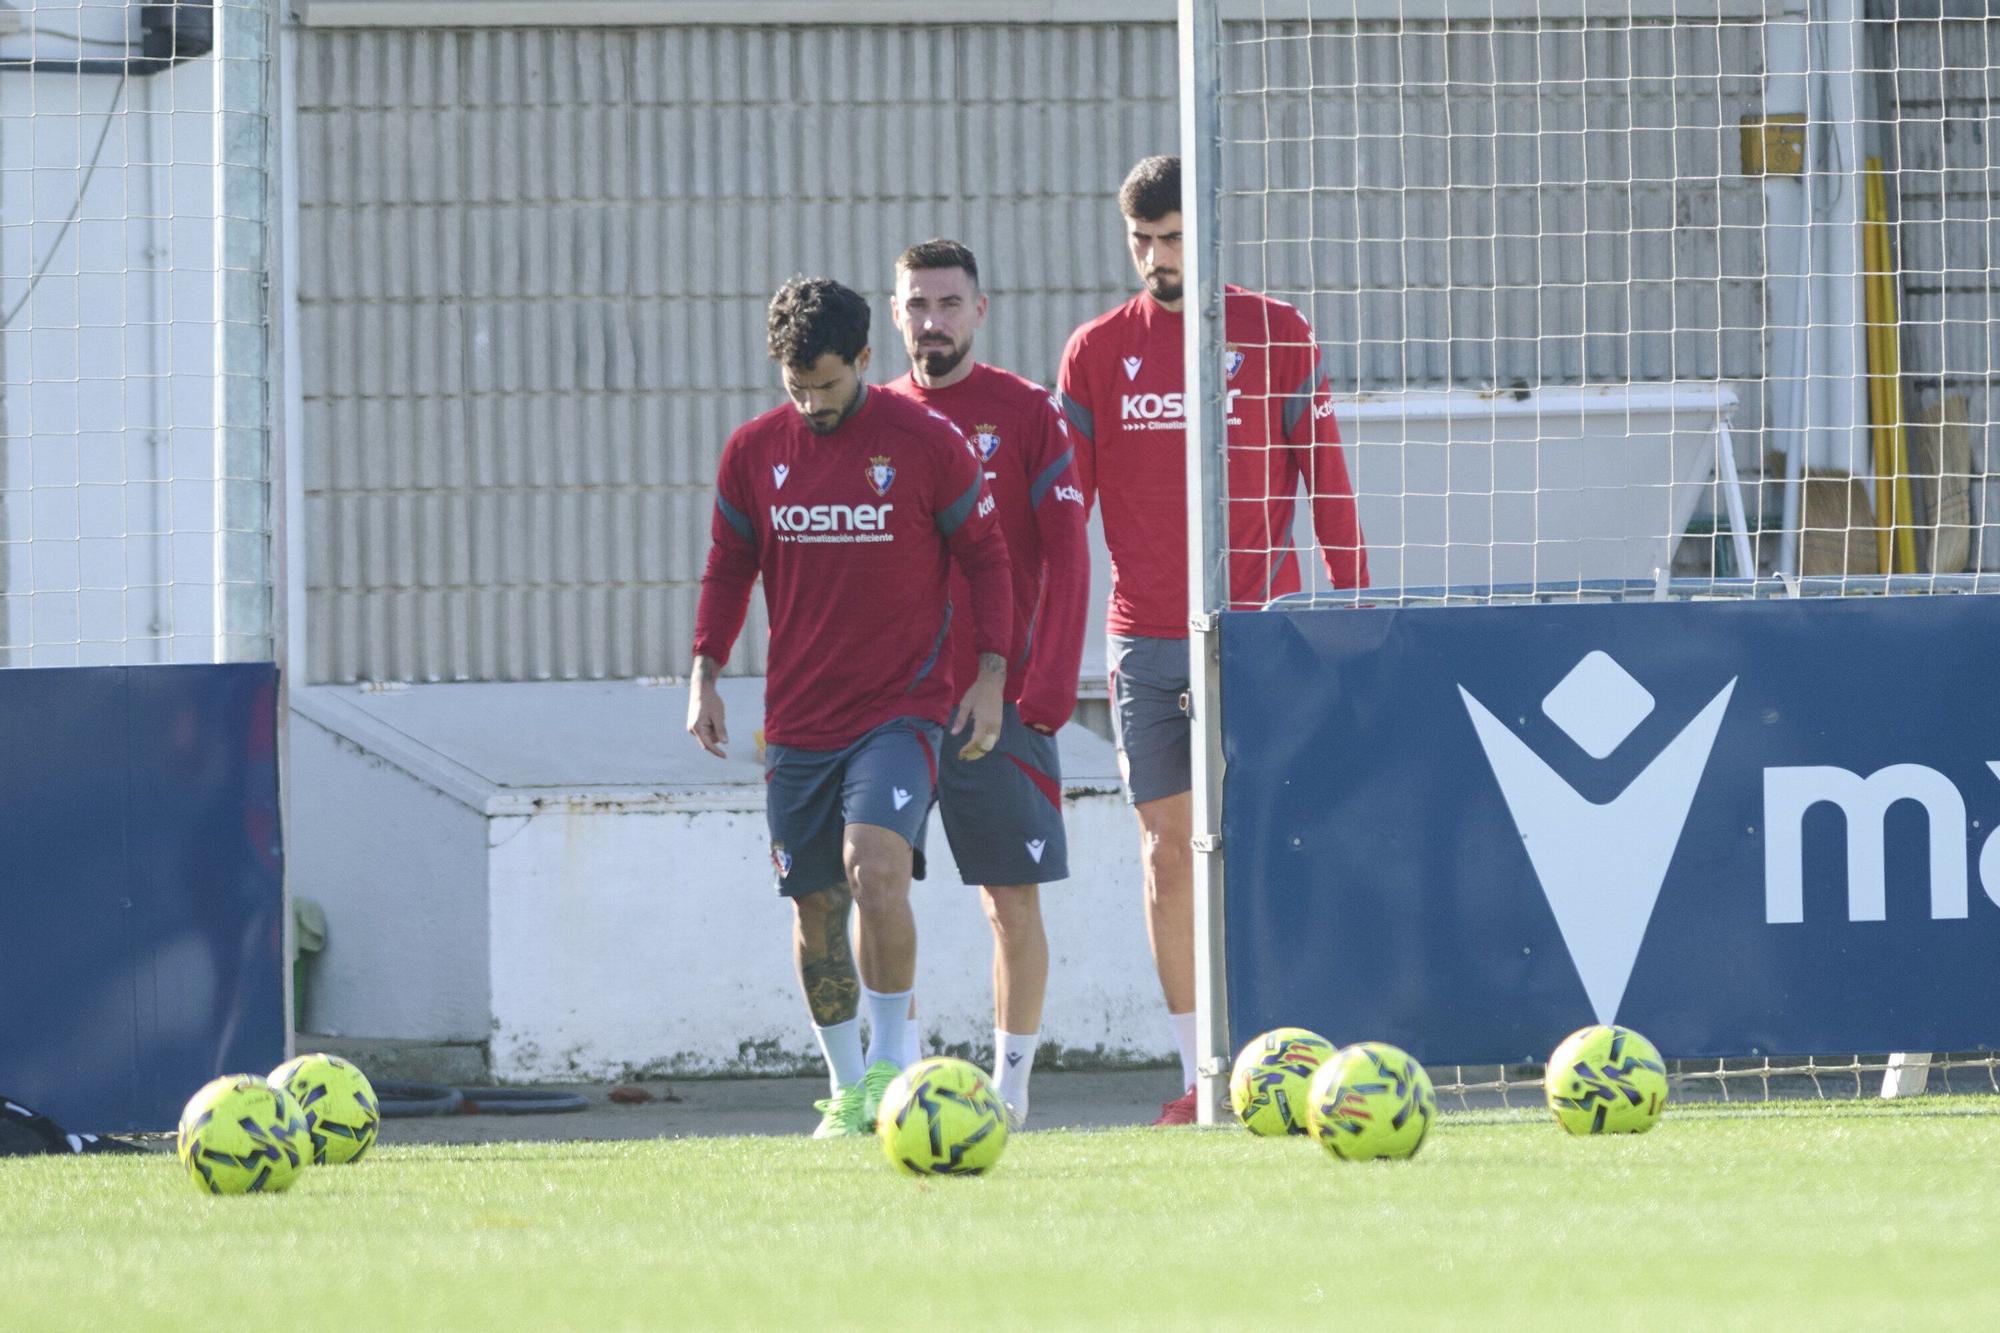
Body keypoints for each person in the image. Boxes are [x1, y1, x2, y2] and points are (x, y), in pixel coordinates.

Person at [1057, 155, 1369, 1124]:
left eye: (1173, 238)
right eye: (1141, 241)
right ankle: (1199, 1075)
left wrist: (1354, 612)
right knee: (1166, 853)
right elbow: (1064, 519)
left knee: (1273, 844)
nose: (1157, 258)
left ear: (1208, 231)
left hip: (1261, 636)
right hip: (1143, 643)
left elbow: (1326, 476)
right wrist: (1032, 642)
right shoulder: (1095, 351)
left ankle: (1289, 1047)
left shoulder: (1276, 332)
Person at [687, 276, 1012, 1138]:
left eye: (826, 385)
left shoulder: (926, 442)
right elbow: (729, 565)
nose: (811, 402)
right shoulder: (753, 451)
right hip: (799, 717)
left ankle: (892, 1063)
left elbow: (986, 556)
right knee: (816, 903)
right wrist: (705, 670)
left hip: (901, 708)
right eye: (796, 387)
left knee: (875, 867)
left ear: (864, 359)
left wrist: (990, 675)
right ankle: (845, 1086)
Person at [881, 240, 1090, 1130]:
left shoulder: (1028, 412)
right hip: (890, 708)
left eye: (948, 304)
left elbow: (1071, 555)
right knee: (875, 887)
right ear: (895, 311)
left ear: (980, 310)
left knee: (1008, 900)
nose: (932, 321)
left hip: (996, 702)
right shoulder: (873, 417)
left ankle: (1010, 1090)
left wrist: (1044, 689)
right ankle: (890, 1077)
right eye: (917, 304)